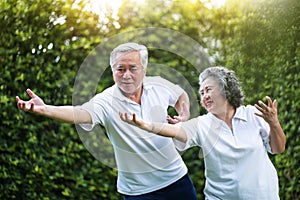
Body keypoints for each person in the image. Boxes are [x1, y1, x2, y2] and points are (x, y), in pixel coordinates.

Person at [16, 43, 198, 200]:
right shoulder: (106, 100)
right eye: (120, 69)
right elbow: (79, 113)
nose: (126, 75)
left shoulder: (159, 85)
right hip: (139, 191)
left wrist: (184, 115)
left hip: (177, 180)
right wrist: (46, 109)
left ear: (144, 69)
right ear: (113, 71)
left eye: (132, 68)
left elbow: (181, 95)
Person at [119, 66, 286, 200]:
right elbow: (176, 131)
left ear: (225, 89)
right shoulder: (202, 124)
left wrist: (274, 123)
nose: (204, 96)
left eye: (208, 90)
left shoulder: (252, 114)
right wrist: (146, 125)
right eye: (202, 92)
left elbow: (278, 149)